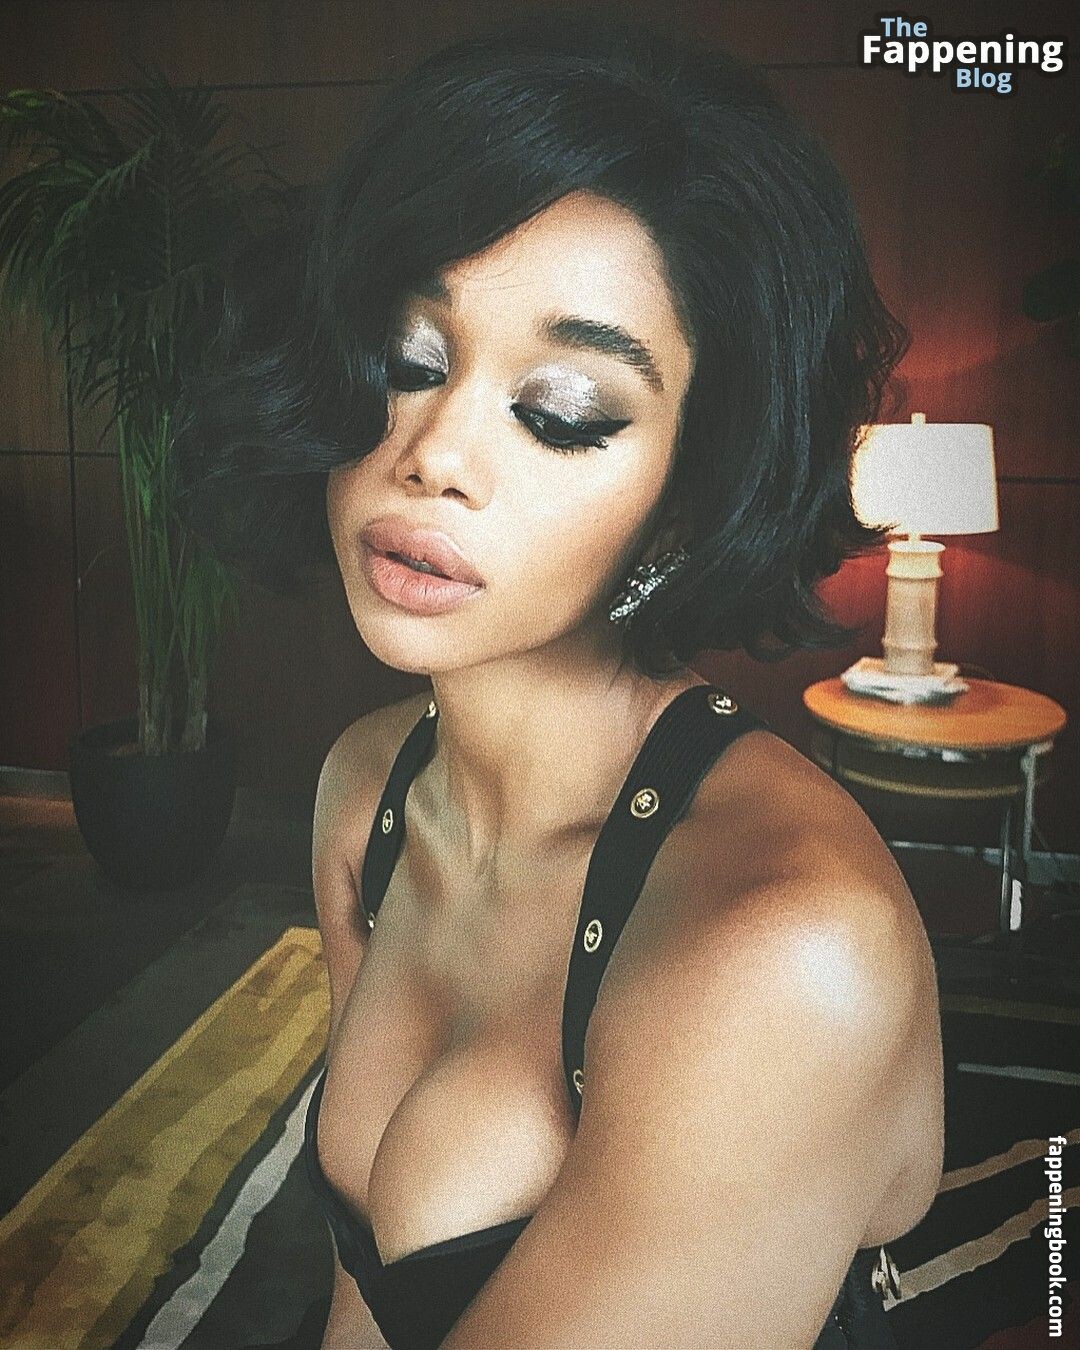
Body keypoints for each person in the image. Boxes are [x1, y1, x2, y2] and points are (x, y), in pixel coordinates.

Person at [176, 9, 944, 1347]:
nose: (434, 452)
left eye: (562, 413)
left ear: (690, 500)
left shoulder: (785, 949)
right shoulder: (371, 788)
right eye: (408, 361)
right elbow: (364, 1296)